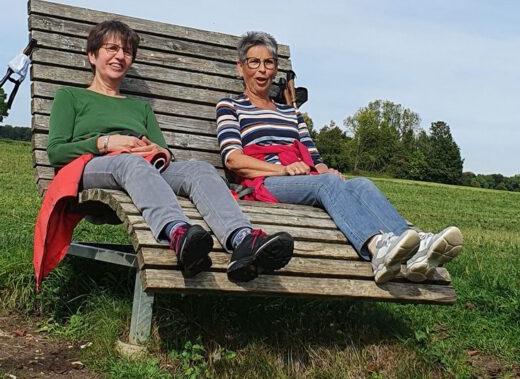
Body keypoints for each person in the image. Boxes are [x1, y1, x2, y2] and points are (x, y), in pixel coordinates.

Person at [46, 20, 293, 282]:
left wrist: (156, 149)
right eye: (112, 48)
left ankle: (243, 240)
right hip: (95, 165)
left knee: (199, 169)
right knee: (130, 164)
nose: (120, 56)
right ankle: (177, 233)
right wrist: (106, 143)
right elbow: (57, 152)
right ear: (92, 55)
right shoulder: (70, 97)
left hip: (141, 165)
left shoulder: (139, 108)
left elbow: (164, 153)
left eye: (127, 52)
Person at [216, 31, 463, 284]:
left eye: (268, 63)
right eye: (253, 62)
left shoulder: (291, 113)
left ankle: (416, 246)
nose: (262, 70)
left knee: (359, 183)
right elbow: (233, 160)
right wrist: (283, 170)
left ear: (275, 68)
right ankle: (377, 248)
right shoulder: (231, 107)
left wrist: (326, 169)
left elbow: (313, 156)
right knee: (328, 183)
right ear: (240, 68)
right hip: (265, 180)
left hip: (304, 178)